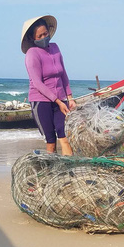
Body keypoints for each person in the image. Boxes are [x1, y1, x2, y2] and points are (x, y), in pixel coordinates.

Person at [21, 15, 77, 155]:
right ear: (32, 38)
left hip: (61, 99)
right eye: (39, 36)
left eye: (45, 34)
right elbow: (37, 83)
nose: (44, 37)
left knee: (64, 135)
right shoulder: (32, 54)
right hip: (41, 101)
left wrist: (69, 98)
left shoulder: (55, 48)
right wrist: (57, 101)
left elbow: (63, 74)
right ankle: (51, 170)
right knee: (51, 140)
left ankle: (68, 168)